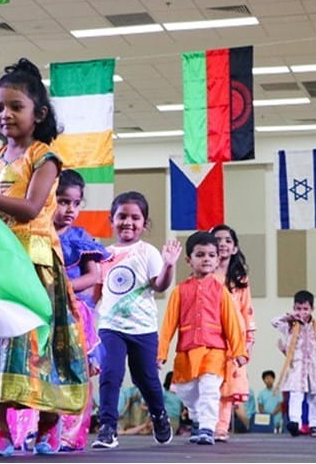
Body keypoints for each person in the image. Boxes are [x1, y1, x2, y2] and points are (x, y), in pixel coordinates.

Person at [0, 58, 88, 457]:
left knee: (35, 347)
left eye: (15, 107)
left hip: (35, 266)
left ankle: (48, 426)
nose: (5, 115)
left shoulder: (45, 158)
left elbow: (29, 208)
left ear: (38, 113)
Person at [91, 191, 180, 450]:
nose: (128, 222)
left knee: (146, 379)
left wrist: (169, 265)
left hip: (143, 329)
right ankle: (107, 427)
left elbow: (160, 285)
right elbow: (97, 293)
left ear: (144, 223)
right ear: (112, 219)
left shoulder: (147, 252)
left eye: (135, 217)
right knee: (110, 374)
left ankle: (159, 416)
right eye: (122, 216)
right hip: (110, 327)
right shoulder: (103, 254)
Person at [157, 231, 247, 445]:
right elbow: (168, 324)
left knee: (209, 389)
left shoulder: (221, 291)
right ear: (189, 260)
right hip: (187, 351)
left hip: (215, 351)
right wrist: (161, 353)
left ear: (217, 260)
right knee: (186, 391)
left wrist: (239, 351)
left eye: (210, 255)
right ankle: (198, 419)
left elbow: (232, 322)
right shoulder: (179, 291)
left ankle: (207, 428)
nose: (206, 259)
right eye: (200, 255)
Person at [53, 169, 109, 452]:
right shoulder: (37, 233)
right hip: (43, 310)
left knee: (76, 371)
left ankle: (71, 434)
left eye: (76, 203)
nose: (70, 209)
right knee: (42, 370)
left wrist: (65, 286)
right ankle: (36, 431)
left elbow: (94, 275)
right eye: (63, 201)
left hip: (75, 312)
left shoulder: (79, 237)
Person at [272, 290, 316, 437]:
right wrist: (288, 316)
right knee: (296, 395)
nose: (302, 312)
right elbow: (274, 322)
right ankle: (294, 423)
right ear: (293, 308)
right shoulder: (290, 325)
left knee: (314, 397)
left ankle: (314, 425)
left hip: (314, 368)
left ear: (312, 309)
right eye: (298, 308)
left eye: (305, 309)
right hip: (296, 367)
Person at [210, 224, 255, 442]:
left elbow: (247, 309)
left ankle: (221, 427)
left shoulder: (240, 279)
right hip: (209, 334)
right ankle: (206, 424)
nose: (222, 244)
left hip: (234, 338)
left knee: (229, 384)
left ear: (235, 248)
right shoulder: (205, 274)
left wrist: (249, 340)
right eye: (217, 239)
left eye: (228, 240)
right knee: (208, 380)